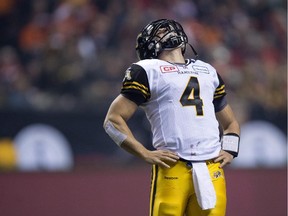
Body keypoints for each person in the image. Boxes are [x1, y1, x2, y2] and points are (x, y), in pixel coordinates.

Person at [104, 19, 240, 216]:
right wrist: (144, 153)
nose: (165, 31)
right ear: (149, 46)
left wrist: (230, 150)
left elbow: (230, 123)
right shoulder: (147, 70)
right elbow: (112, 120)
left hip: (211, 168)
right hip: (172, 166)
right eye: (159, 33)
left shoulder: (207, 70)